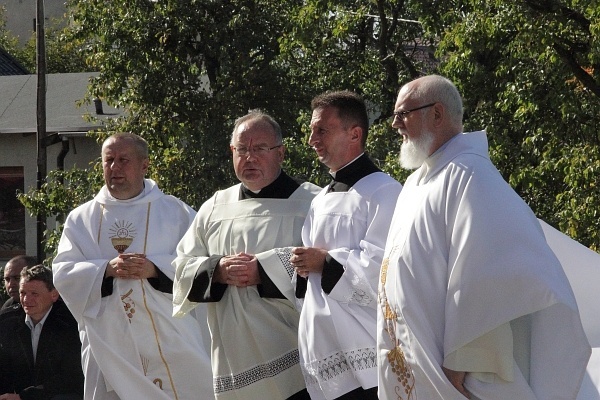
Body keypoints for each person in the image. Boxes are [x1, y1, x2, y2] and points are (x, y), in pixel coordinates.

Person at [377, 74, 591, 399]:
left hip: (453, 372)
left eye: (403, 113)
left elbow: (489, 275)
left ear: (437, 113)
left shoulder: (469, 176)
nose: (395, 124)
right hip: (413, 359)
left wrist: (465, 356)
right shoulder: (417, 182)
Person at [52, 132, 213, 400]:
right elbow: (64, 272)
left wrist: (155, 270)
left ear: (144, 165)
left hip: (170, 341)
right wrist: (105, 270)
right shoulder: (82, 219)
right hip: (108, 345)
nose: (115, 167)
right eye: (109, 160)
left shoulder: (177, 213)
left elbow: (201, 266)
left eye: (123, 160)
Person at [173, 110, 320, 400]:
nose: (249, 157)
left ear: (281, 153)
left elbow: (324, 266)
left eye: (260, 149)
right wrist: (217, 270)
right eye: (242, 149)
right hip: (232, 356)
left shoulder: (313, 202)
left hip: (294, 352)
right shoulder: (214, 207)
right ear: (232, 152)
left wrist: (263, 271)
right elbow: (180, 267)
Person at [289, 90, 402, 400]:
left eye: (321, 130)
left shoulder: (385, 193)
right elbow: (307, 282)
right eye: (311, 130)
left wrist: (324, 263)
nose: (312, 139)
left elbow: (386, 270)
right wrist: (301, 266)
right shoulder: (321, 199)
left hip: (367, 355)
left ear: (355, 134)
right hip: (323, 348)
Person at [0, 265, 84, 400]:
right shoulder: (7, 320)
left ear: (54, 295)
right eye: (23, 293)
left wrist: (25, 396)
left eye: (34, 294)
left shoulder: (71, 323)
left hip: (59, 394)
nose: (26, 300)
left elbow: (71, 377)